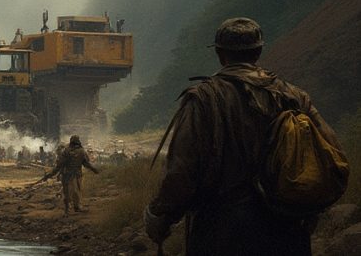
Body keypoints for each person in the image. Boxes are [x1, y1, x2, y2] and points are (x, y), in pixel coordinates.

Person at [144, 17, 344, 255]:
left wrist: (160, 216)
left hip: (221, 232)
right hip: (287, 228)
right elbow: (331, 154)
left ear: (220, 54)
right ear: (258, 52)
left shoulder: (204, 99)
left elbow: (182, 170)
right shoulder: (294, 96)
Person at [38, 135, 99, 214]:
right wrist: (94, 170)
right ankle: (73, 208)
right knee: (75, 192)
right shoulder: (80, 151)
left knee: (68, 192)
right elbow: (86, 164)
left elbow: (59, 166)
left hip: (69, 175)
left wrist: (50, 175)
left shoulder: (68, 151)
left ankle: (69, 209)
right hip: (74, 175)